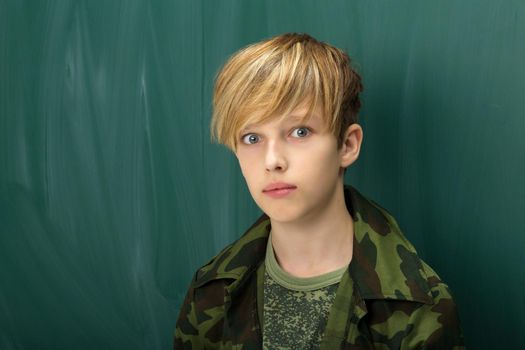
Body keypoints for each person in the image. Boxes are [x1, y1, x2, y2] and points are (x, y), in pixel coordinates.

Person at [174, 32, 464, 349]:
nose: (272, 161)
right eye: (252, 138)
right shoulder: (211, 291)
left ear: (347, 145)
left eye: (300, 131)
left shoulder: (416, 308)